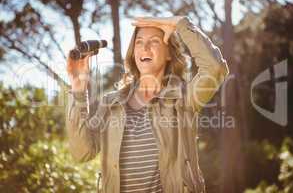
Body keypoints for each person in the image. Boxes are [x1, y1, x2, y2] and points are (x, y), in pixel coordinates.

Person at [66, 16, 229, 193]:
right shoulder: (110, 103)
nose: (145, 47)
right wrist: (78, 87)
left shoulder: (183, 98)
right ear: (133, 52)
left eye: (154, 42)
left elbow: (215, 68)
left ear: (168, 54)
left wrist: (181, 24)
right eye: (139, 42)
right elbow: (82, 152)